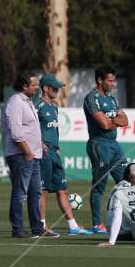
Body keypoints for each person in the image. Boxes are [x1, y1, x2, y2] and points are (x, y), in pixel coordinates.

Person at [35, 74, 91, 236]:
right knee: (43, 191)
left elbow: (55, 130)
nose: (58, 91)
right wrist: (40, 144)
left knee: (62, 190)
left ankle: (73, 226)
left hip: (54, 152)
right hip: (43, 152)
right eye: (54, 88)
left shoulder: (54, 107)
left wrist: (57, 147)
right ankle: (42, 225)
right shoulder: (37, 106)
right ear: (45, 88)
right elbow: (30, 128)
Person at [83, 66, 129, 233]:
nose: (113, 84)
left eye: (114, 80)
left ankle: (127, 221)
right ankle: (97, 223)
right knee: (99, 186)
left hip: (114, 144)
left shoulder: (111, 98)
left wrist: (113, 121)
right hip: (99, 144)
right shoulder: (92, 98)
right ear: (100, 80)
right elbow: (103, 124)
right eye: (110, 80)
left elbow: (125, 120)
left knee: (127, 183)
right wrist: (115, 121)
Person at [3, 72, 46, 238]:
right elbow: (16, 132)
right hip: (21, 154)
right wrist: (27, 151)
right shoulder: (15, 102)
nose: (37, 87)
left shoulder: (27, 102)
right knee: (20, 192)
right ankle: (18, 228)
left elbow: (30, 127)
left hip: (33, 154)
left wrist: (39, 145)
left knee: (35, 192)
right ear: (24, 86)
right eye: (34, 85)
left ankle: (37, 227)